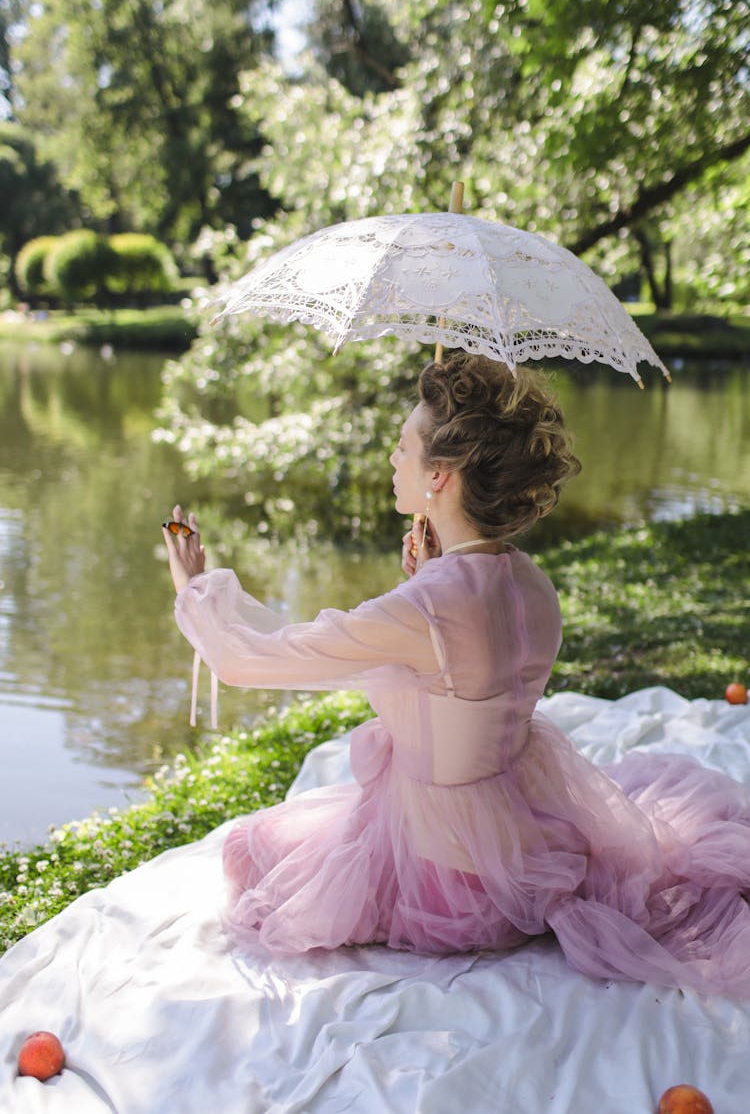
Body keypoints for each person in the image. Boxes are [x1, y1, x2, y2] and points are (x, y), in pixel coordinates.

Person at [163, 351, 750, 997]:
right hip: (525, 854)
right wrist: (429, 578)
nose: (393, 458)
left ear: (440, 474)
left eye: (403, 446)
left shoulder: (426, 609)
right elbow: (468, 666)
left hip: (447, 888)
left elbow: (256, 658)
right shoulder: (531, 582)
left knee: (247, 851)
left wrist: (194, 589)